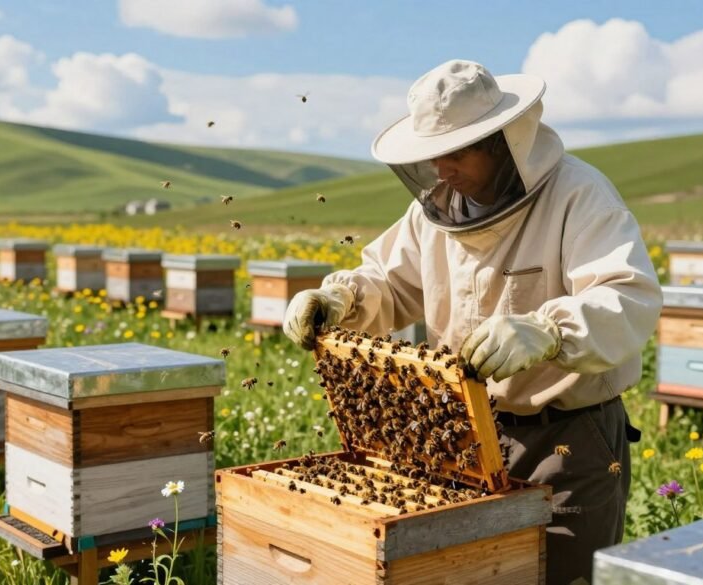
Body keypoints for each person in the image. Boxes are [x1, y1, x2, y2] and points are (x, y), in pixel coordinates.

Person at [283, 59, 661, 584]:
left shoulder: (579, 194)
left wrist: (549, 331)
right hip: (460, 434)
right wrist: (339, 299)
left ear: (504, 142)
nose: (442, 170)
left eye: (456, 152)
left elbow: (627, 295)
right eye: (433, 156)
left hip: (566, 438)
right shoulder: (434, 213)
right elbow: (389, 283)